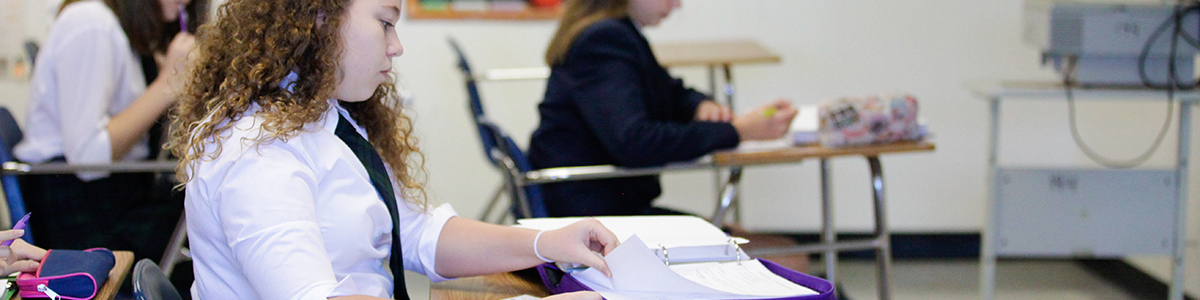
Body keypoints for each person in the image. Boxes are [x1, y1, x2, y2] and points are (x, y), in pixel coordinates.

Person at [167, 0, 619, 298]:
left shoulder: (321, 115)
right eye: (385, 24)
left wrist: (547, 242)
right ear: (318, 19)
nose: (397, 46)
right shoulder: (258, 152)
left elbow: (417, 233)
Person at [528, 0, 799, 217]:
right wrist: (737, 131)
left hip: (597, 205)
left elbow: (667, 90)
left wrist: (700, 105)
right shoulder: (605, 40)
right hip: (594, 217)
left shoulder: (617, 32)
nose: (677, 5)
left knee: (776, 250)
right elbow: (636, 142)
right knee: (789, 257)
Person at [13, 0, 205, 268]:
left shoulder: (122, 31)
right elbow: (88, 157)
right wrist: (167, 85)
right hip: (78, 208)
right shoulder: (92, 23)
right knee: (204, 236)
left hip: (108, 195)